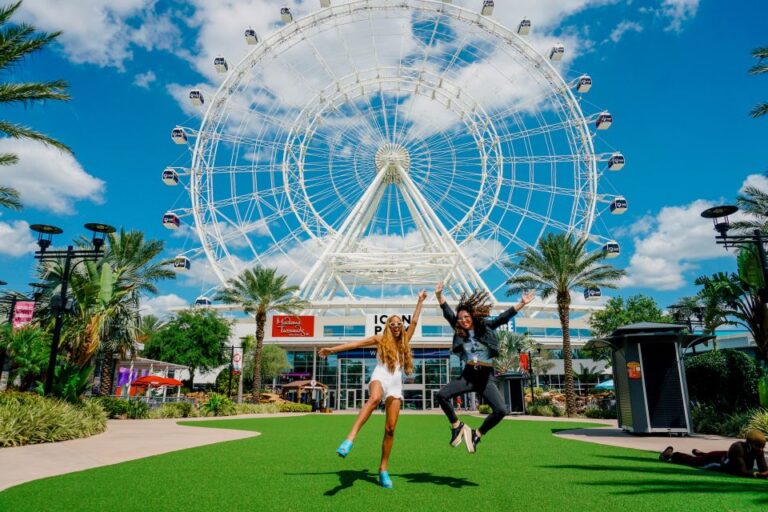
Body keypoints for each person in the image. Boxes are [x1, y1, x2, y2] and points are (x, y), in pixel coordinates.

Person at [319, 289, 427, 489]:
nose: (395, 326)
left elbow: (414, 321)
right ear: (388, 326)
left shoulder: (405, 339)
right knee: (374, 398)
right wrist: (332, 350)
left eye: (398, 324)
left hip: (395, 382)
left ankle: (383, 469)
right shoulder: (380, 339)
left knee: (391, 429)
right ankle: (350, 439)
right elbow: (356, 343)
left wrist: (419, 300)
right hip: (380, 375)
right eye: (392, 324)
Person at [434, 282, 535, 453]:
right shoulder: (459, 328)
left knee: (501, 410)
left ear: (472, 316)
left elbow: (503, 317)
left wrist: (522, 303)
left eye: (466, 317)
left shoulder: (486, 327)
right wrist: (439, 296)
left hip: (486, 377)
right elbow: (447, 312)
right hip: (468, 375)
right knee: (441, 395)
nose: (463, 321)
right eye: (460, 319)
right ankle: (456, 426)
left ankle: (477, 434)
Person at [659, 429, 768, 478]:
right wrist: (757, 475)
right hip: (717, 462)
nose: (760, 449)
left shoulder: (758, 451)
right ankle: (671, 455)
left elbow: (764, 470)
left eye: (762, 446)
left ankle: (701, 453)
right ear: (749, 443)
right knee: (694, 462)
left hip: (726, 456)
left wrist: (764, 473)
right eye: (758, 446)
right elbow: (741, 472)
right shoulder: (737, 448)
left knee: (706, 455)